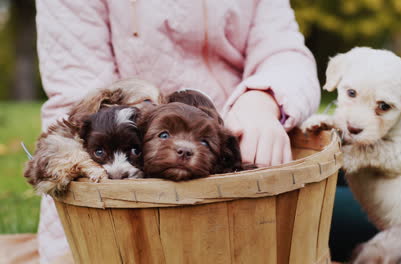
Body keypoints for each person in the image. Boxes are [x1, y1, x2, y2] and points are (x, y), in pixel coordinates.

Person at [35, 0, 321, 262]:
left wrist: (261, 96)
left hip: (239, 139)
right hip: (132, 206)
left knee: (341, 185)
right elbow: (79, 100)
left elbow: (285, 53)